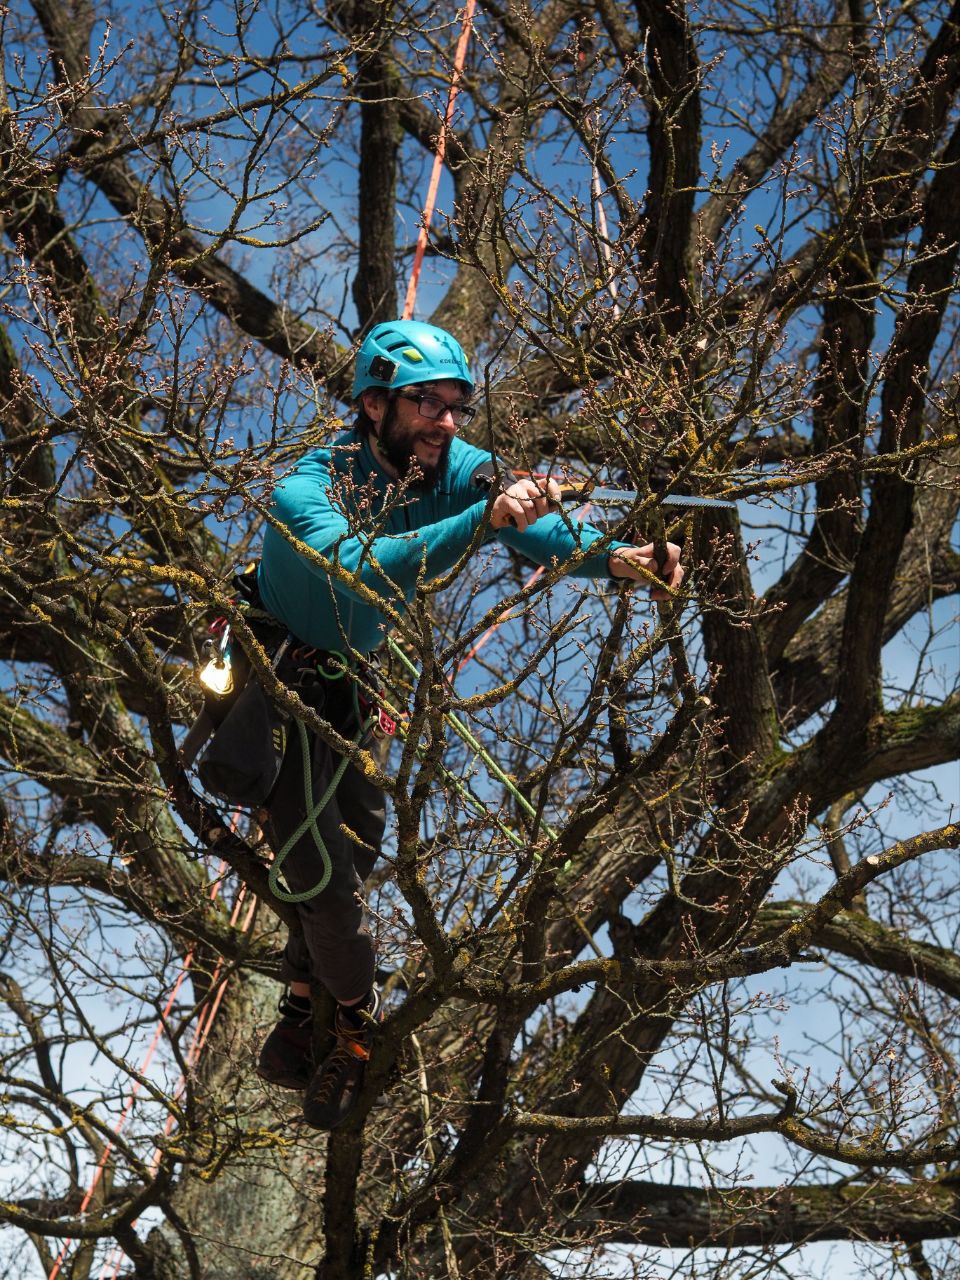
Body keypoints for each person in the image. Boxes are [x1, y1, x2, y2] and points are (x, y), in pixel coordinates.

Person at [254, 319, 683, 1129]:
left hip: (349, 682)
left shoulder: (446, 463)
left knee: (360, 847)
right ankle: (354, 1023)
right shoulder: (307, 489)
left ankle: (302, 1007)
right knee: (318, 875)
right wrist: (484, 520)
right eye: (428, 404)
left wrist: (619, 559)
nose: (447, 423)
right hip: (275, 674)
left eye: (457, 407)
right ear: (374, 403)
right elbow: (360, 570)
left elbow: (527, 518)